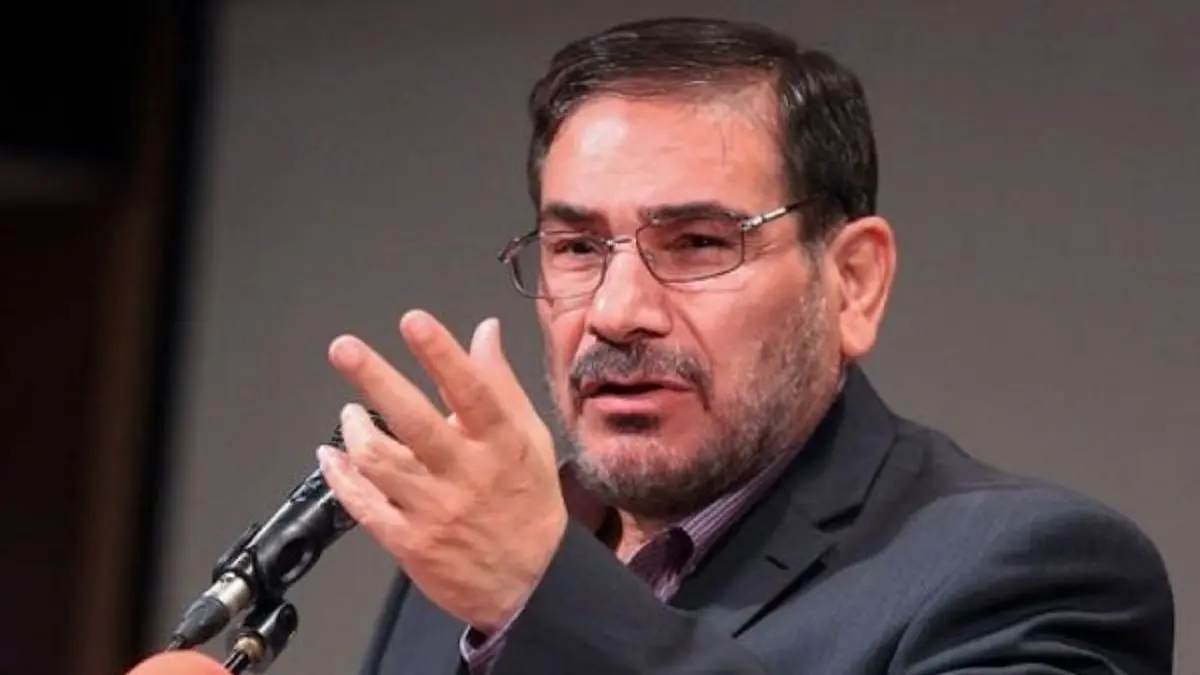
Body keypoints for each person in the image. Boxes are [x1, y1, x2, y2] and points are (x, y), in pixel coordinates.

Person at [316, 16, 1175, 675]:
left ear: (852, 282)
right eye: (577, 247)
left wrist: (544, 596)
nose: (616, 311)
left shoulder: (1030, 572)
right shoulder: (468, 558)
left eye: (698, 243)